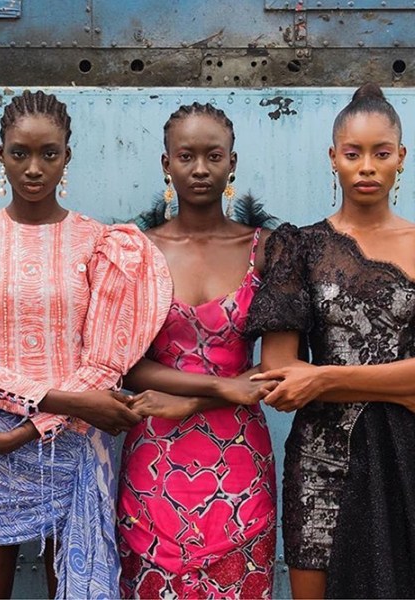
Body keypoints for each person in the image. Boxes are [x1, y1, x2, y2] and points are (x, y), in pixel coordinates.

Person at [0, 90, 172, 599]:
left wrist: (26, 431)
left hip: (74, 447)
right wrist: (57, 404)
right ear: (1, 154)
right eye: (20, 153)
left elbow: (104, 362)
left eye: (49, 153)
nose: (33, 168)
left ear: (67, 156)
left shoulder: (102, 244)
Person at [248, 83, 415, 598]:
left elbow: (305, 378)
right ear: (333, 159)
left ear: (400, 159)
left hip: (407, 456)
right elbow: (279, 376)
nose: (367, 166)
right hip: (323, 463)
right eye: (353, 153)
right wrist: (400, 386)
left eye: (380, 153)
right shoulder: (297, 246)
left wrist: (321, 376)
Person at [117, 102, 279, 599]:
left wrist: (193, 400)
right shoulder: (136, 250)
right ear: (166, 164)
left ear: (233, 162)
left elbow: (277, 372)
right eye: (186, 156)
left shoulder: (268, 249)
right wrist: (217, 385)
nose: (201, 169)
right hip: (154, 459)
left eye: (214, 156)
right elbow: (126, 364)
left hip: (240, 463)